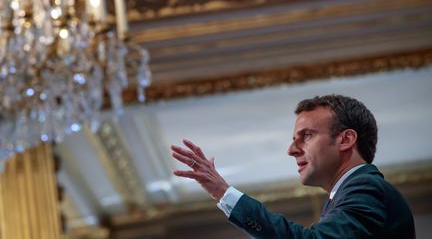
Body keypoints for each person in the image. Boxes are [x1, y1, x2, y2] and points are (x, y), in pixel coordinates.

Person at [171, 94, 415, 238]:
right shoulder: (349, 194)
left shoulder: (365, 187)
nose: (291, 150)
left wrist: (224, 193)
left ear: (346, 139)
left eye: (306, 135)